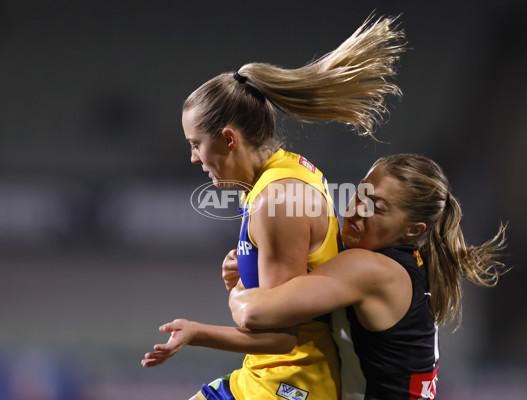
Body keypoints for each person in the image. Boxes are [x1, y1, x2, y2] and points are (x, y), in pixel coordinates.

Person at [141, 15, 406, 400]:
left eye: (196, 144)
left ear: (229, 138)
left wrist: (198, 331)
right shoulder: (286, 170)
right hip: (263, 379)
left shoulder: (277, 200)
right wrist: (242, 280)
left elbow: (281, 338)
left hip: (290, 387)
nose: (195, 159)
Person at [228, 154, 508, 400]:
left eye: (378, 207)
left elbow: (255, 312)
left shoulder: (369, 268)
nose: (358, 209)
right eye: (360, 193)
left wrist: (240, 288)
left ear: (412, 230)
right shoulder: (410, 263)